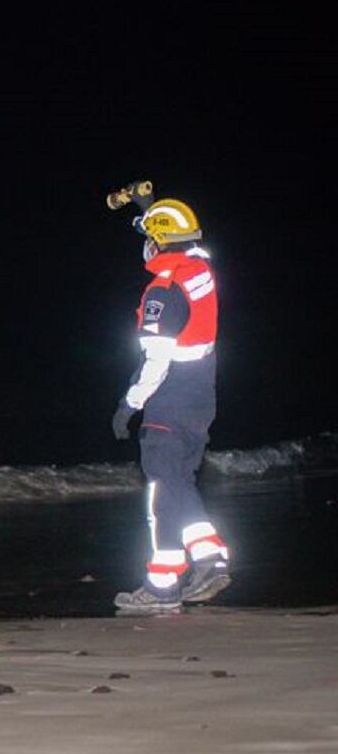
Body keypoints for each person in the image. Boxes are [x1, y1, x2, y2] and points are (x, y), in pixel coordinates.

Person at [110, 196, 232, 612]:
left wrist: (130, 402)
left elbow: (157, 359)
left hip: (169, 400)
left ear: (160, 241)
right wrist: (150, 208)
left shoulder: (162, 291)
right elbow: (190, 246)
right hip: (202, 397)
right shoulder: (201, 272)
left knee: (164, 486)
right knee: (174, 484)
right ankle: (187, 572)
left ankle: (187, 570)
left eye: (150, 238)